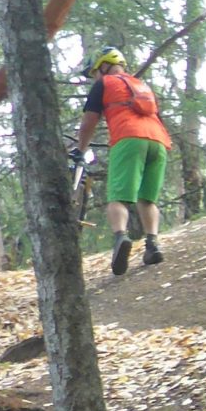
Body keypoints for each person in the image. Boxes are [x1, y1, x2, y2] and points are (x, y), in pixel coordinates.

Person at [71, 46, 173, 277]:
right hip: (158, 142)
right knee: (147, 199)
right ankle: (152, 245)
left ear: (102, 66)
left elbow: (89, 120)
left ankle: (120, 237)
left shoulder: (105, 84)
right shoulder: (140, 85)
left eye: (93, 72)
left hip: (128, 138)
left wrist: (80, 150)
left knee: (118, 198)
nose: (93, 78)